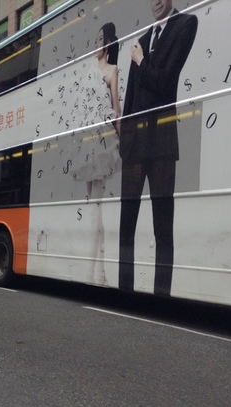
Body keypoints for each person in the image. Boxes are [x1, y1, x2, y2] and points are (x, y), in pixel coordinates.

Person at [118, 0, 198, 295]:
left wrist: (140, 61)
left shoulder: (185, 25)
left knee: (163, 228)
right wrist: (125, 138)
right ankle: (123, 290)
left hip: (162, 142)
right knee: (126, 225)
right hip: (135, 145)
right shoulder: (142, 40)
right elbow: (129, 99)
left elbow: (165, 82)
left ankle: (161, 295)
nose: (156, 2)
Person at [67, 22, 122, 285]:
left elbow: (116, 109)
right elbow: (79, 108)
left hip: (102, 144)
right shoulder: (89, 71)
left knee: (95, 210)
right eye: (95, 38)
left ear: (108, 43)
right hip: (87, 142)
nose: (96, 43)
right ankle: (98, 273)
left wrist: (120, 140)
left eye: (101, 39)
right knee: (93, 209)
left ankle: (94, 273)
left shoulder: (113, 71)